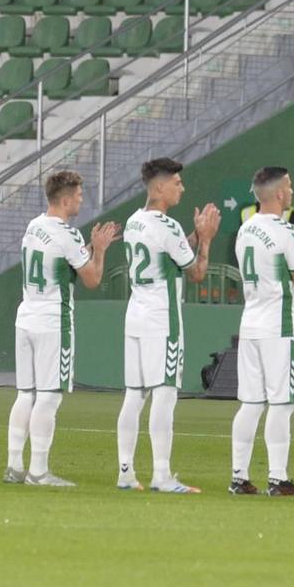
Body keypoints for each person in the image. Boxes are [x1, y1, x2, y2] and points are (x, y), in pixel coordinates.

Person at [6, 170, 119, 486]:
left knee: (25, 394)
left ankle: (14, 465)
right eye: (80, 195)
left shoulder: (34, 226)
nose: (82, 199)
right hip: (53, 323)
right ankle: (39, 471)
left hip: (25, 317)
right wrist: (99, 248)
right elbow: (93, 279)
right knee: (50, 396)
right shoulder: (67, 235)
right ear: (67, 198)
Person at [115, 157, 221, 493]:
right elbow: (197, 272)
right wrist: (206, 239)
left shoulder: (134, 221)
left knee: (134, 396)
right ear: (159, 186)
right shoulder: (167, 226)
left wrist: (192, 235)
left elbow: (169, 251)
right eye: (176, 182)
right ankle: (162, 475)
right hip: (163, 320)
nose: (182, 188)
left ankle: (126, 473)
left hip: (136, 317)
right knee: (165, 395)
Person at [230, 166, 294, 496]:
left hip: (251, 324)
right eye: (289, 185)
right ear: (280, 194)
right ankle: (278, 478)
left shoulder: (245, 229)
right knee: (282, 403)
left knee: (251, 403)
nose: (292, 190)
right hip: (280, 326)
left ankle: (239, 477)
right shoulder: (286, 232)